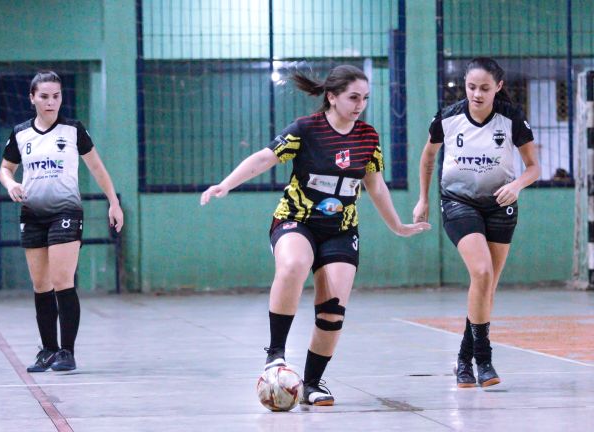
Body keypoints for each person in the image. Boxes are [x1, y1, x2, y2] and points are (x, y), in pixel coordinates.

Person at [201, 65, 430, 405]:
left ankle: (312, 384)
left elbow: (375, 186)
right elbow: (264, 159)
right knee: (293, 265)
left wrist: (397, 225)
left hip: (341, 230)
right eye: (354, 97)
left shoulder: (367, 136)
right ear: (332, 96)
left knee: (333, 309)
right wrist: (226, 184)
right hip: (296, 220)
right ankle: (275, 354)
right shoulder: (306, 129)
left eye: (365, 98)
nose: (360, 105)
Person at [413, 57, 540, 388]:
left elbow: (533, 168)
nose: (477, 94)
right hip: (458, 201)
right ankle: (483, 360)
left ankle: (462, 361)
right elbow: (428, 157)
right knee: (481, 272)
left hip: (500, 205)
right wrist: (424, 199)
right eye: (471, 87)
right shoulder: (449, 118)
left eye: (485, 88)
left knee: (488, 287)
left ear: (498, 87)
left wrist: (516, 185)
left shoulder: (511, 119)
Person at [0, 71, 124, 372]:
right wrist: (10, 184)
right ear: (32, 98)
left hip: (66, 211)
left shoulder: (73, 130)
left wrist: (113, 202)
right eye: (44, 96)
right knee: (40, 284)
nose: (51, 101)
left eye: (56, 96)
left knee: (61, 281)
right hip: (32, 213)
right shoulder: (21, 134)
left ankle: (67, 351)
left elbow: (96, 167)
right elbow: (5, 168)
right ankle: (48, 350)